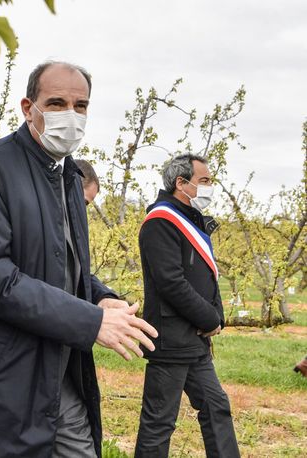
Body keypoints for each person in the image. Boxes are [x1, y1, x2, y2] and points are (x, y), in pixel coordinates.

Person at [0, 61, 157, 458]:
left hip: (60, 364)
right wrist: (90, 320)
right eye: (57, 102)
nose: (71, 115)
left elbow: (64, 264)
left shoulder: (68, 178)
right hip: (5, 373)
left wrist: (98, 296)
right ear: (27, 107)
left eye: (81, 105)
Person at [134, 154, 240, 457]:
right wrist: (209, 318)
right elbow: (171, 283)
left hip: (194, 342)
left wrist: (215, 315)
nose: (209, 186)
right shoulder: (160, 222)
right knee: (160, 421)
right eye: (204, 180)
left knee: (216, 407)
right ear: (181, 183)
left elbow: (203, 277)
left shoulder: (191, 221)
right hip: (170, 340)